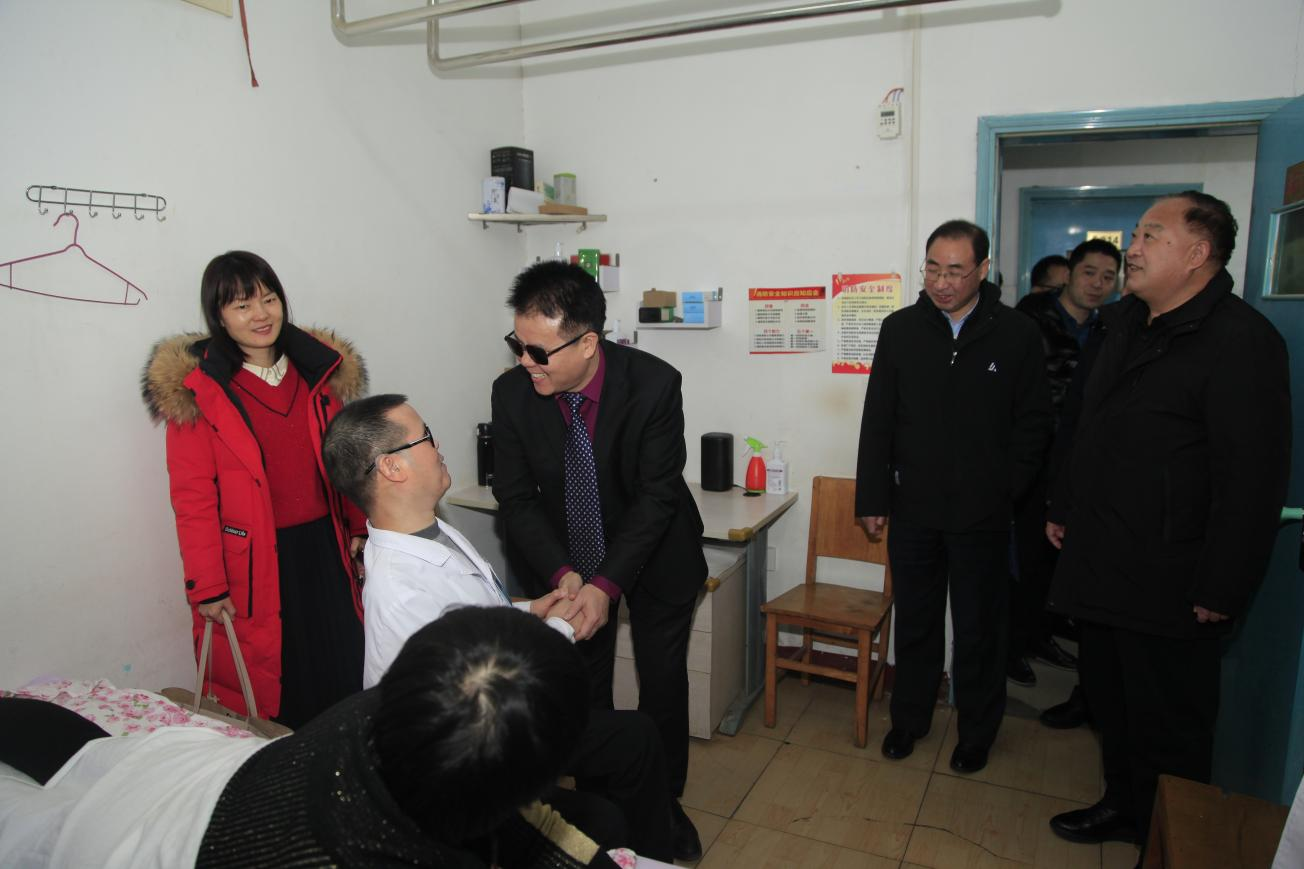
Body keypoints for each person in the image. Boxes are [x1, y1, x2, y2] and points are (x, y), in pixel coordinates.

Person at [321, 394, 678, 861]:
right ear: (392, 467)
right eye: (426, 437)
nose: (438, 446)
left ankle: (651, 854)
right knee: (607, 804)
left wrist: (531, 611)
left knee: (636, 738)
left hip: (493, 716)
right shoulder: (401, 589)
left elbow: (474, 612)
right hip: (467, 753)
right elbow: (472, 691)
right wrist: (558, 630)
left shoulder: (431, 531)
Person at [0, 607, 623, 868]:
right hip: (184, 834)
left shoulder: (421, 703)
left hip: (220, 779)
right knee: (38, 819)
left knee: (91, 763)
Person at [1044, 192, 1292, 850]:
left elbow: (1253, 479)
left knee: (1169, 724)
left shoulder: (1242, 342)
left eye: (1151, 235)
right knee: (1112, 703)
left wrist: (1223, 584)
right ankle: (1123, 808)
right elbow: (1082, 422)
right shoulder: (1123, 321)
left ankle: (1168, 845)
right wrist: (1063, 504)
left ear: (1198, 254)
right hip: (1102, 558)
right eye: (1137, 234)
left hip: (1172, 576)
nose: (1133, 248)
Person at [490, 261, 706, 860]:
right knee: (582, 688)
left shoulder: (654, 384)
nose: (525, 362)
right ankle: (600, 810)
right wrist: (566, 575)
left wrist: (606, 584)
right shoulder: (512, 393)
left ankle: (662, 806)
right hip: (565, 556)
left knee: (662, 684)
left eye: (538, 351)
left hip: (656, 551)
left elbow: (657, 497)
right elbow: (516, 498)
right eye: (516, 344)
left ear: (588, 343)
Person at [855, 219, 1052, 774]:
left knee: (978, 629)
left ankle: (977, 732)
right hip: (914, 508)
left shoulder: (1015, 334)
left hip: (982, 515)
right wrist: (873, 496)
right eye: (933, 269)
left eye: (956, 271)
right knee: (916, 620)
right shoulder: (900, 329)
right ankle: (909, 719)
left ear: (983, 270)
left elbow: (1034, 425)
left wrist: (1005, 490)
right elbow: (878, 419)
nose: (942, 283)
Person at [141, 251, 367, 730]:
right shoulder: (201, 391)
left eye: (268, 299)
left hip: (327, 552)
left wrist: (358, 526)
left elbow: (344, 458)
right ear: (219, 316)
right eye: (242, 306)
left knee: (345, 669)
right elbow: (192, 497)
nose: (260, 315)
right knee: (282, 686)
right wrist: (207, 585)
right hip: (256, 564)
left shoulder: (317, 372)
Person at [1007, 239, 1120, 686]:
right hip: (1030, 460)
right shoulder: (1030, 321)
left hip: (1080, 463)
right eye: (1089, 273)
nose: (1097, 284)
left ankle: (1042, 633)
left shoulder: (1112, 329)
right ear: (1070, 271)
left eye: (1108, 277)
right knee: (1022, 558)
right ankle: (1012, 645)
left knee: (1060, 559)